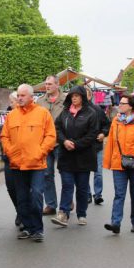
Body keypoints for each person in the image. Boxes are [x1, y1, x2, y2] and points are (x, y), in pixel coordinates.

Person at [1, 84, 56, 242]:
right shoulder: (12, 115)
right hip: (17, 163)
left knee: (37, 195)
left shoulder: (42, 113)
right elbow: (4, 137)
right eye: (18, 95)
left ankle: (37, 229)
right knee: (22, 197)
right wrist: (10, 152)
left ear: (32, 97)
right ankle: (26, 226)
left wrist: (40, 152)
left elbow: (51, 136)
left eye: (23, 95)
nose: (19, 98)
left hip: (37, 164)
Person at [103, 94, 134, 234]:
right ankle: (115, 223)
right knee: (119, 194)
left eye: (123, 103)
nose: (120, 105)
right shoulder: (116, 121)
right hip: (119, 163)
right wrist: (108, 161)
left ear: (131, 106)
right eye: (120, 103)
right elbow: (111, 142)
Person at [51, 85, 98, 227]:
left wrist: (76, 144)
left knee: (82, 187)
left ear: (83, 97)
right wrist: (64, 141)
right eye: (72, 96)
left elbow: (92, 134)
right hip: (66, 156)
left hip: (84, 156)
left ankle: (82, 213)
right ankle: (63, 213)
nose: (74, 98)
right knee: (67, 184)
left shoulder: (91, 113)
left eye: (77, 95)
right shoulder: (65, 112)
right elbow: (56, 128)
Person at [36, 75, 66, 215]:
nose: (47, 86)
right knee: (47, 174)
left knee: (65, 172)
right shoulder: (40, 101)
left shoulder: (66, 100)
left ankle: (67, 201)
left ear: (57, 85)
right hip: (46, 143)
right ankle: (51, 204)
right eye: (46, 84)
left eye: (50, 84)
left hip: (62, 142)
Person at [84, 85, 110, 205]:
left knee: (98, 172)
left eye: (85, 94)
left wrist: (103, 133)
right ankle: (87, 194)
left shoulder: (98, 110)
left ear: (90, 96)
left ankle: (98, 194)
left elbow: (107, 124)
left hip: (96, 146)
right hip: (82, 147)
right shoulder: (74, 111)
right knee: (84, 172)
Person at [2, 92, 20, 226]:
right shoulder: (9, 116)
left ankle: (24, 214)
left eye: (12, 102)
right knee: (10, 187)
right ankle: (20, 211)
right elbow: (4, 136)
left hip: (24, 158)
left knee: (23, 188)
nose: (10, 104)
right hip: (9, 157)